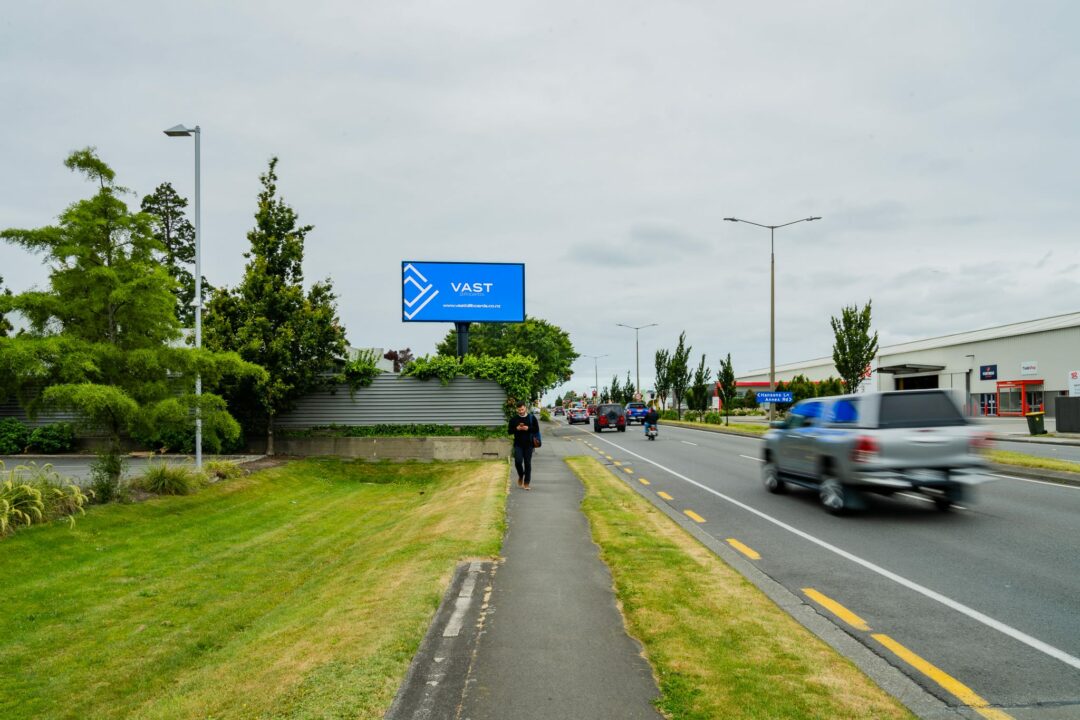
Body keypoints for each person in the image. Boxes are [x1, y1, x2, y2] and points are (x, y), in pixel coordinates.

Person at [507, 402, 540, 490]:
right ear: (516, 409)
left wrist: (528, 428)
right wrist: (516, 429)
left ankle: (526, 483)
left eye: (522, 409)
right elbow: (509, 431)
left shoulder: (532, 418)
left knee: (527, 463)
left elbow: (536, 429)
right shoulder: (514, 419)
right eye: (519, 410)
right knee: (518, 462)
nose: (521, 411)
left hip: (529, 444)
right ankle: (521, 476)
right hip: (518, 444)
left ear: (525, 408)